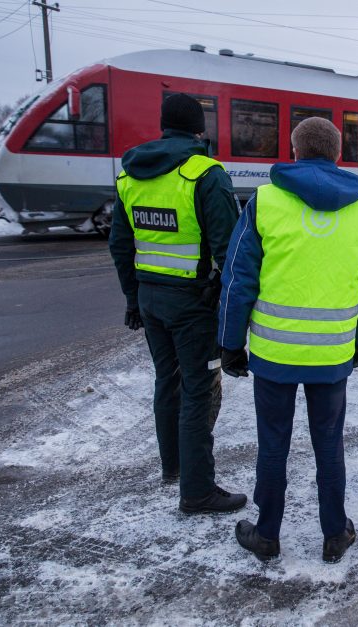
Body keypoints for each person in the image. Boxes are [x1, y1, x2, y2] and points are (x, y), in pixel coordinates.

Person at [218, 117, 358, 564]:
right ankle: (335, 533)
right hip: (332, 354)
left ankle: (267, 535)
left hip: (274, 355)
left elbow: (239, 279)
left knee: (273, 444)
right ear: (337, 153)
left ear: (294, 150)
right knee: (329, 444)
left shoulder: (266, 200)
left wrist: (230, 343)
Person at [109, 93, 246, 515]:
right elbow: (230, 253)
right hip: (192, 304)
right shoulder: (204, 174)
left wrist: (133, 297)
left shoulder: (131, 175)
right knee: (198, 390)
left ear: (163, 125)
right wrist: (228, 316)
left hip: (151, 300)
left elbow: (120, 244)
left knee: (166, 381)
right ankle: (198, 490)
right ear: (199, 130)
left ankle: (174, 469)